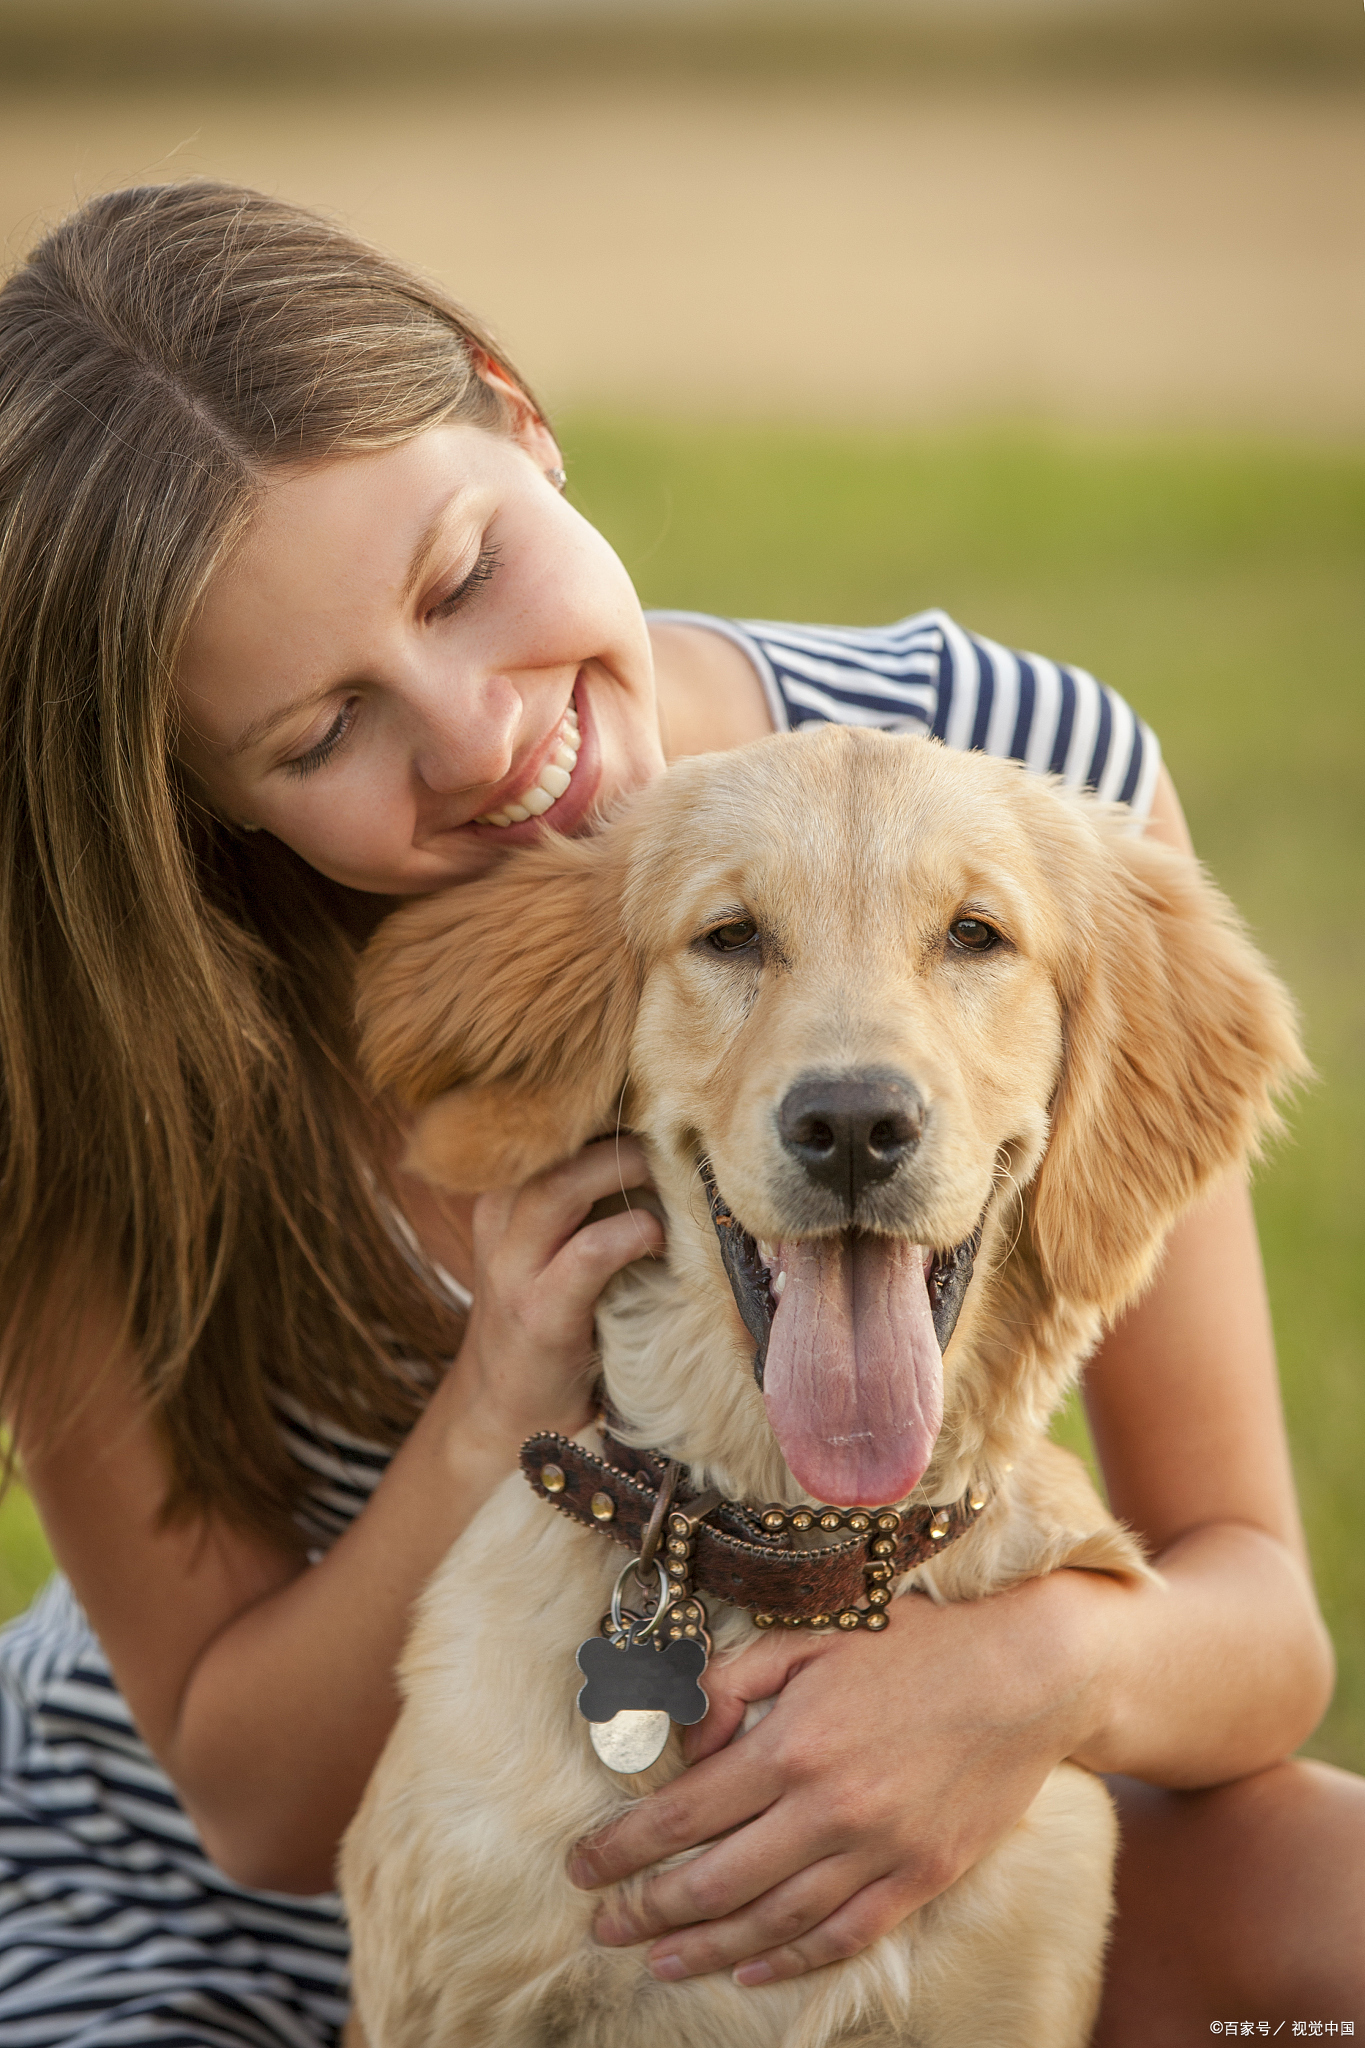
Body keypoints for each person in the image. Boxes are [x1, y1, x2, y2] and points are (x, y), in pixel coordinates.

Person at [0, 181, 1359, 2048]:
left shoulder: (1027, 794)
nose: (478, 736)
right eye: (321, 733)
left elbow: (1258, 1629)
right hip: (196, 1914)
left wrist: (1020, 1679)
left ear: (516, 416)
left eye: (462, 575)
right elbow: (256, 1813)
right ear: (199, 797)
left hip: (887, 1754)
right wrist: (497, 1404)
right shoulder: (96, 1049)